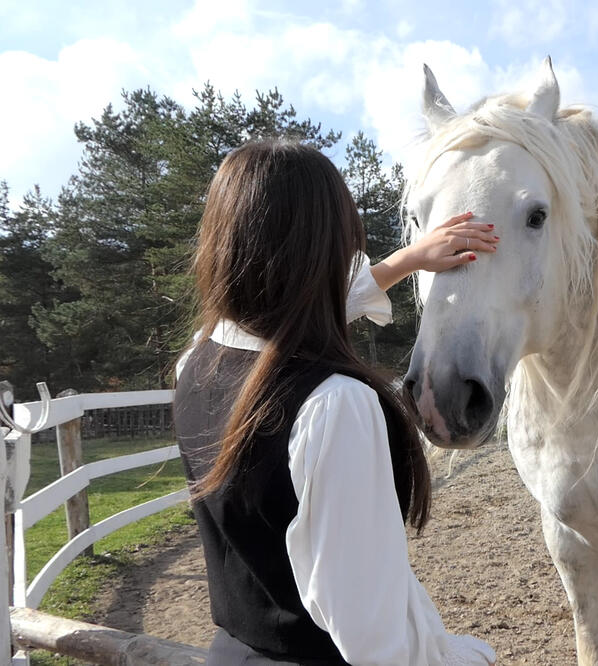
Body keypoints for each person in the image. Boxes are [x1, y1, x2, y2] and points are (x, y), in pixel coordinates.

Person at [173, 138, 499, 665]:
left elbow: (294, 313)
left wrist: (409, 260)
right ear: (327, 247)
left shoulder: (197, 362)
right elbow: (376, 643)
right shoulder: (334, 405)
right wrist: (473, 657)